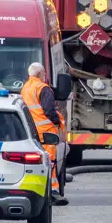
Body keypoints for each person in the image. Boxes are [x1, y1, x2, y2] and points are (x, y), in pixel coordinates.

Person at [21, 62, 68, 206]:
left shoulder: (25, 88)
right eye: (44, 73)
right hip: (46, 132)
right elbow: (49, 110)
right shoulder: (43, 88)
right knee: (50, 162)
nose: (45, 75)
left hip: (30, 130)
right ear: (40, 74)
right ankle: (52, 192)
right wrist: (56, 121)